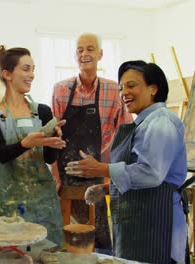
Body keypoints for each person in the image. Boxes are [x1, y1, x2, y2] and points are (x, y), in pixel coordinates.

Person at [65, 60, 188, 263]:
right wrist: (106, 188)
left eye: (131, 86)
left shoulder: (160, 122)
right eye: (121, 88)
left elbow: (151, 173)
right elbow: (136, 171)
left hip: (157, 225)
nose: (124, 93)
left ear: (153, 88)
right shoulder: (141, 123)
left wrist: (102, 168)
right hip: (137, 223)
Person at [51, 32, 133, 253]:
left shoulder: (113, 90)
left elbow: (126, 133)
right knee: (66, 243)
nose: (84, 54)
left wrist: (111, 171)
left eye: (90, 49)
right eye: (80, 50)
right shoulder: (61, 89)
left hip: (97, 174)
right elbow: (53, 137)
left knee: (99, 240)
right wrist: (56, 178)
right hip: (66, 174)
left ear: (100, 54)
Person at [0, 45, 66, 244]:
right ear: (7, 74)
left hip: (42, 201)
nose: (32, 75)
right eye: (26, 69)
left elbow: (48, 158)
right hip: (8, 204)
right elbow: (2, 154)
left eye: (33, 69)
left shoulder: (42, 111)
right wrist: (26, 143)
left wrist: (55, 141)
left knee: (46, 255)